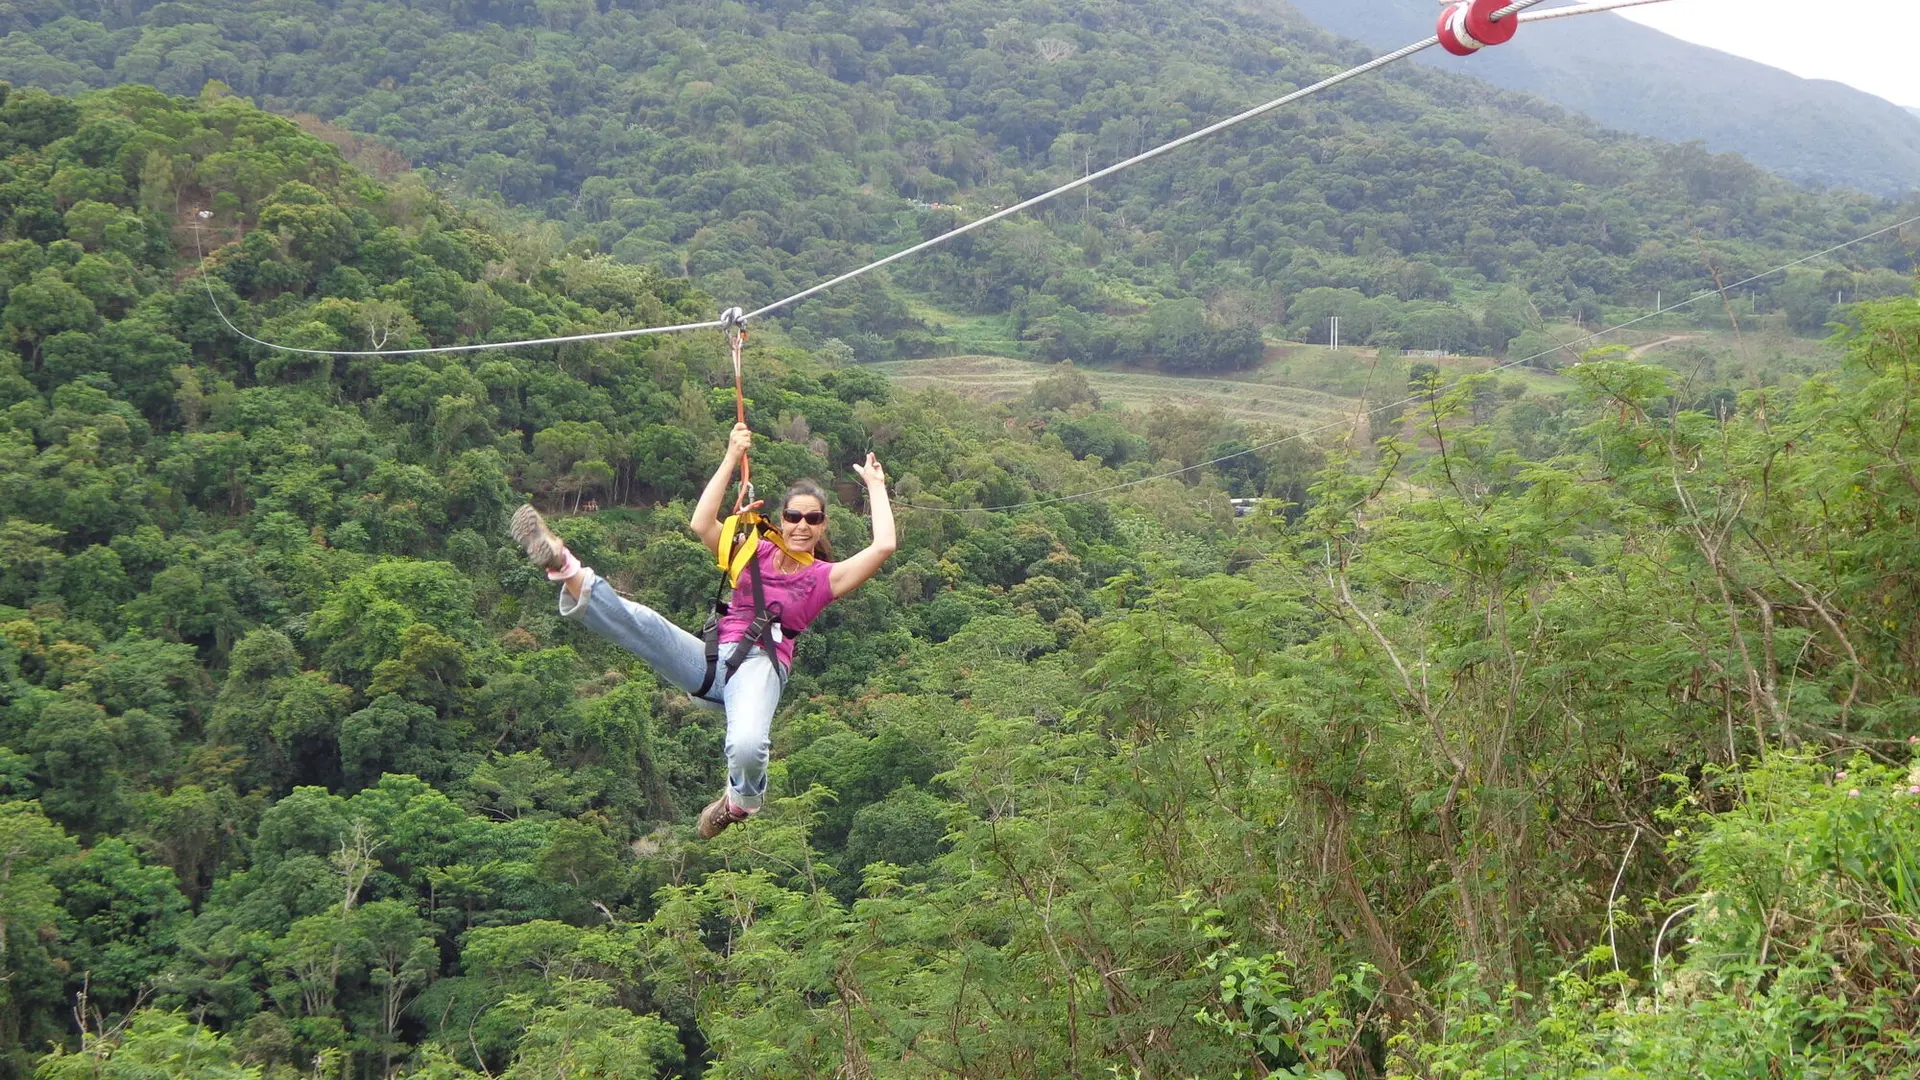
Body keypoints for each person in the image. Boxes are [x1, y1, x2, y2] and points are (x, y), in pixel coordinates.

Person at [510, 422, 897, 838]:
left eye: (813, 518)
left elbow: (883, 547)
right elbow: (701, 524)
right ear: (781, 520)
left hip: (759, 670)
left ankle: (740, 800)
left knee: (747, 745)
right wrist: (732, 455)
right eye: (793, 516)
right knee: (643, 622)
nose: (802, 525)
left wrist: (875, 486)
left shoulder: (826, 577)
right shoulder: (754, 549)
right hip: (712, 661)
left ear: (823, 525)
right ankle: (562, 564)